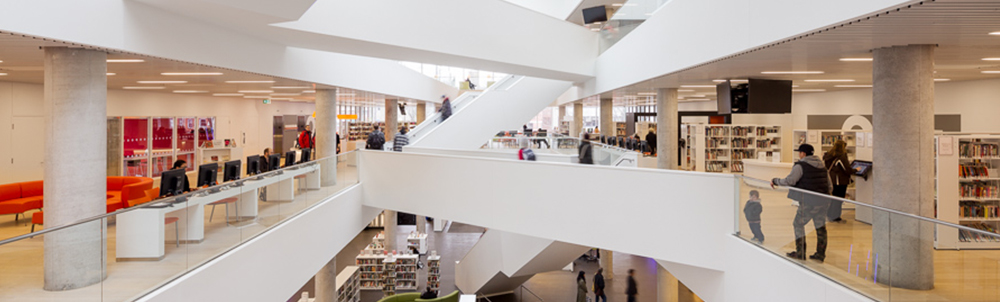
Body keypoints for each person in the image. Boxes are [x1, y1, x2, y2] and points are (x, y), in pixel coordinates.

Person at [772, 144, 833, 262]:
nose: (799, 155)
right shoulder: (822, 165)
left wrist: (775, 181)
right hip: (823, 201)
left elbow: (790, 181)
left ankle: (800, 253)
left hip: (808, 202)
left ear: (803, 154)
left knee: (798, 224)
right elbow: (829, 185)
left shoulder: (801, 166)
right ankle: (820, 255)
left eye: (799, 152)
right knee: (820, 227)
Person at [823, 140, 852, 223]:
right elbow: (847, 169)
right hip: (840, 180)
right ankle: (836, 217)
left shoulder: (829, 155)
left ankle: (830, 214)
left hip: (831, 179)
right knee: (839, 199)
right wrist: (855, 170)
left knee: (833, 198)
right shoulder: (841, 156)